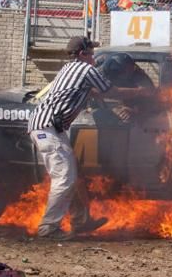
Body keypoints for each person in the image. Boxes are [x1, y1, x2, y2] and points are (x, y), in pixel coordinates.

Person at [26, 37, 148, 239]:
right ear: (82, 54)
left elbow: (94, 93)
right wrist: (141, 93)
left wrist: (120, 107)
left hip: (49, 127)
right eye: (91, 53)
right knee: (64, 177)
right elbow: (112, 91)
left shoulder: (69, 68)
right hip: (48, 127)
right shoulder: (85, 70)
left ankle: (80, 221)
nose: (94, 58)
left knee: (72, 174)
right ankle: (48, 228)